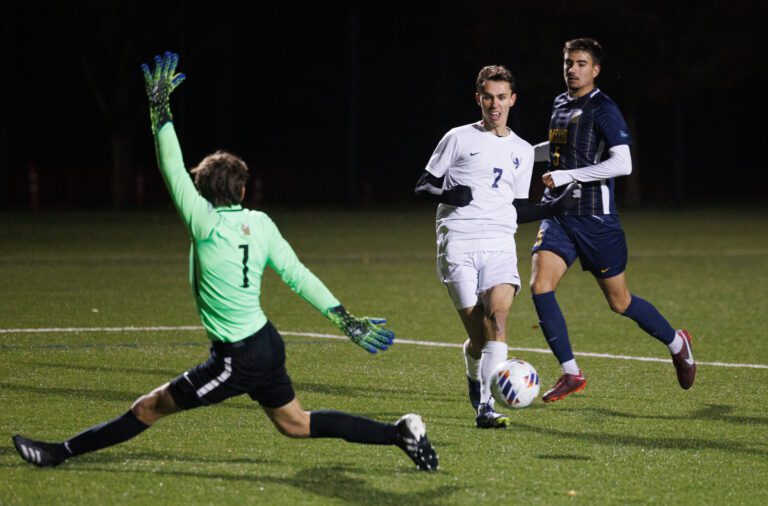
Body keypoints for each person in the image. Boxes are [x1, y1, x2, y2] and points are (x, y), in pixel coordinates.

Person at [12, 52, 438, 472]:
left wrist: (160, 110)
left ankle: (58, 453)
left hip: (239, 357)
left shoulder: (204, 223)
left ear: (201, 189)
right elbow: (298, 276)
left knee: (149, 407)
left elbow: (169, 165)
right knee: (295, 423)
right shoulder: (261, 223)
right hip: (266, 341)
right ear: (242, 191)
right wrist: (346, 320)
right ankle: (398, 433)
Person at [528, 38, 696, 403]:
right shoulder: (559, 104)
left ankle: (676, 342)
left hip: (595, 219)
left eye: (582, 63)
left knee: (619, 302)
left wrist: (569, 176)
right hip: (559, 214)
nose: (573, 69)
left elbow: (623, 163)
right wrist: (522, 154)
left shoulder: (604, 108)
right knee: (540, 285)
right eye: (569, 62)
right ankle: (571, 373)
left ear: (596, 69)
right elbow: (558, 149)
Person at [415, 65, 580, 428]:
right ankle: (475, 373)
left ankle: (486, 407)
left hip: (500, 242)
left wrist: (555, 206)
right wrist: (446, 193)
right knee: (479, 336)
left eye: (502, 97)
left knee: (498, 320)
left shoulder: (521, 150)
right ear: (479, 99)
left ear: (512, 100)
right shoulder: (457, 138)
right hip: (457, 240)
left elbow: (519, 209)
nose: (495, 105)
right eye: (488, 97)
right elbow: (423, 185)